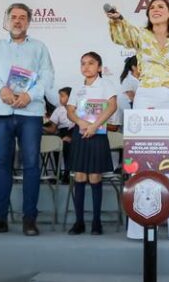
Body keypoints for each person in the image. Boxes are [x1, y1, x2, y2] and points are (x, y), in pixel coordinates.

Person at [107, 0, 169, 240]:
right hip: (146, 97)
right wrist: (117, 19)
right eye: (151, 8)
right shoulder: (140, 35)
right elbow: (122, 35)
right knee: (144, 158)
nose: (155, 10)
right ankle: (141, 227)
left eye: (161, 7)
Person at [0, 2, 55, 236]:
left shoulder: (39, 47)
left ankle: (29, 219)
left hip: (30, 113)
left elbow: (48, 76)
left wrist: (30, 95)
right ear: (7, 20)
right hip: (2, 112)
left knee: (31, 165)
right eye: (14, 17)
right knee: (1, 165)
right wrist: (1, 89)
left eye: (23, 17)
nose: (18, 21)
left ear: (29, 22)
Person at [65, 52, 118, 235]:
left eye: (91, 63)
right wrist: (81, 123)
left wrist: (95, 125)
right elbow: (70, 111)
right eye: (83, 63)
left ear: (100, 67)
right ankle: (79, 221)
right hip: (80, 135)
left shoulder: (106, 84)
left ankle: (96, 222)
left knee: (95, 177)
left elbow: (112, 106)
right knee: (80, 176)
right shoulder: (77, 87)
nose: (86, 67)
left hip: (98, 134)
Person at [43, 87, 75, 180]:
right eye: (59, 96)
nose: (60, 99)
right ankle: (57, 173)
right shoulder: (59, 110)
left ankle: (67, 173)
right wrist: (41, 126)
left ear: (70, 97)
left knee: (67, 145)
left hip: (74, 132)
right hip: (62, 133)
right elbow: (53, 129)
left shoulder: (77, 108)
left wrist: (70, 136)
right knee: (56, 144)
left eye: (62, 96)